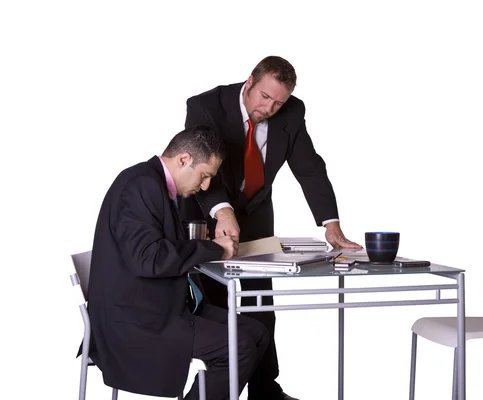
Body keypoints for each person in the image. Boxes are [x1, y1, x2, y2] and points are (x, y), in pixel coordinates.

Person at [179, 56, 362, 400]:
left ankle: (265, 389)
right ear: (249, 82)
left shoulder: (292, 111)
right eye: (264, 97)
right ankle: (217, 389)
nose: (270, 107)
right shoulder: (206, 105)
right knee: (218, 305)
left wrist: (330, 223)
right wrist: (222, 211)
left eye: (279, 102)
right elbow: (204, 168)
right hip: (207, 213)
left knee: (261, 303)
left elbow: (309, 167)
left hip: (257, 216)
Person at [86, 125, 269, 400]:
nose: (206, 186)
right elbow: (148, 259)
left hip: (161, 305)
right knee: (239, 346)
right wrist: (213, 249)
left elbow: (155, 245)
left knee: (256, 332)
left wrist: (200, 242)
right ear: (184, 160)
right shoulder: (140, 185)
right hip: (135, 319)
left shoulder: (153, 183)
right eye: (204, 176)